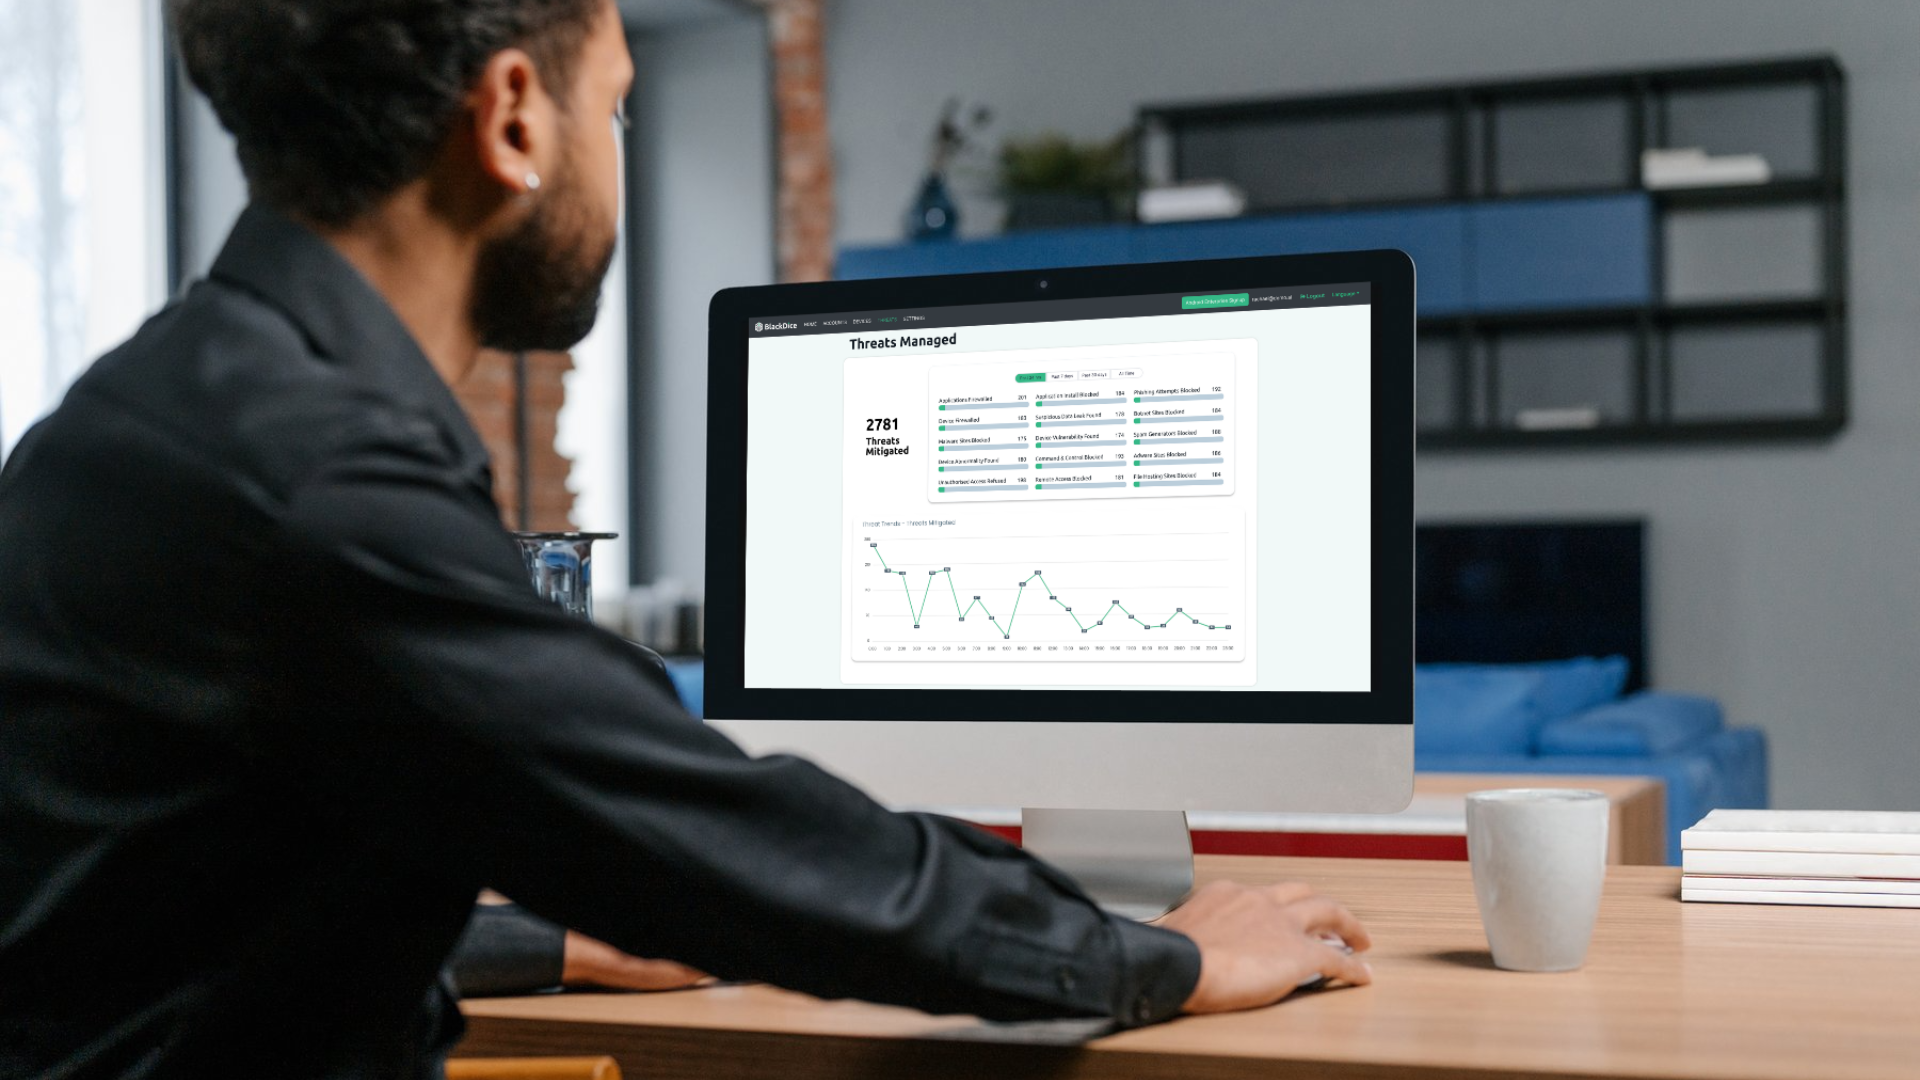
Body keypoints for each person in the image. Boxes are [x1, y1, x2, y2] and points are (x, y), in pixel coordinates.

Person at [0, 1, 1374, 1076]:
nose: (618, 153)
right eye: (619, 107)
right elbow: (750, 856)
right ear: (516, 120)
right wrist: (1159, 959)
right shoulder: (315, 489)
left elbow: (171, 923)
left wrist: (544, 943)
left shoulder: (154, 417)